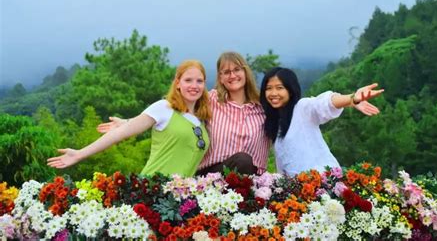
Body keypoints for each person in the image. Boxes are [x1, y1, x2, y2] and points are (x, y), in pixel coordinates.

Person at [98, 52, 271, 175]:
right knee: (242, 160)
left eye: (237, 70)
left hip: (251, 178)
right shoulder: (210, 101)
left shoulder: (263, 108)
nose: (232, 75)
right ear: (220, 78)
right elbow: (174, 108)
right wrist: (128, 121)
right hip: (212, 175)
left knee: (246, 162)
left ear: (246, 73)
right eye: (226, 72)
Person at [47, 60, 211, 177]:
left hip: (182, 202)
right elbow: (121, 133)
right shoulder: (164, 108)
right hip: (154, 192)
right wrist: (79, 154)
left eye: (199, 81)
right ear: (177, 83)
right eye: (188, 80)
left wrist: (127, 121)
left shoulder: (201, 120)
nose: (194, 86)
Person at [260, 67, 384, 176]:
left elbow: (324, 103)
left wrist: (351, 98)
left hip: (324, 183)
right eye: (269, 88)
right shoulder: (274, 121)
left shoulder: (302, 108)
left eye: (279, 88)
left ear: (290, 90)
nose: (273, 93)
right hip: (297, 192)